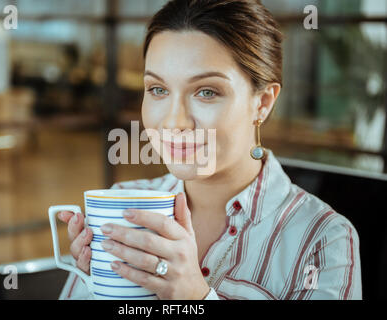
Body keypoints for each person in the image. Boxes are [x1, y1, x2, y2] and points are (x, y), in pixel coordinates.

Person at [57, 0, 362, 300]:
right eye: (158, 90)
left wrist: (195, 298)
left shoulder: (322, 240)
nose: (174, 122)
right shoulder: (123, 203)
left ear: (263, 103)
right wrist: (96, 288)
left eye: (207, 92)